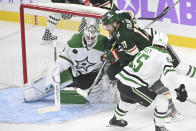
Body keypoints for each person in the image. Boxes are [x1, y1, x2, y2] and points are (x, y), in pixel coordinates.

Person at [101, 10, 196, 121]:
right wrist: (134, 28)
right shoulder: (120, 16)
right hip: (148, 45)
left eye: (108, 26)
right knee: (150, 78)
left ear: (115, 23)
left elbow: (133, 53)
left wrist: (116, 54)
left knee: (179, 68)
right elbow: (130, 13)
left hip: (157, 45)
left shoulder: (123, 36)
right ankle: (163, 105)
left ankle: (167, 107)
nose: (106, 29)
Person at [23, 19, 116, 104]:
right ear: (84, 33)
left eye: (93, 37)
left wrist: (106, 77)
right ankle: (33, 88)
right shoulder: (74, 41)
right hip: (73, 71)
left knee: (104, 99)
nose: (90, 40)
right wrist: (58, 67)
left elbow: (109, 62)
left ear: (97, 35)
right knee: (39, 88)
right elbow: (64, 57)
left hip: (92, 77)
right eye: (88, 37)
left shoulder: (105, 43)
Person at [108, 32, 188, 131]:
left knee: (126, 101)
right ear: (165, 45)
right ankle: (160, 127)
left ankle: (115, 120)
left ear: (153, 42)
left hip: (121, 82)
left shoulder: (145, 50)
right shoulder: (164, 55)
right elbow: (170, 74)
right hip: (133, 87)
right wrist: (180, 89)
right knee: (163, 101)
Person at [42, 0, 118, 44]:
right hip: (78, 8)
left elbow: (92, 7)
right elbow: (56, 4)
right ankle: (47, 34)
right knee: (55, 13)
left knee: (92, 21)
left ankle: (110, 39)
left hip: (99, 10)